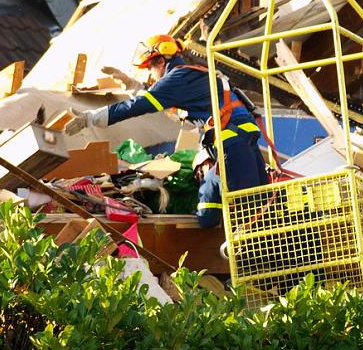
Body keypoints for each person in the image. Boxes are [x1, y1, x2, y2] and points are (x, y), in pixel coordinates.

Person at [65, 34, 268, 228]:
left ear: (160, 62)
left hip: (231, 140)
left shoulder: (178, 76)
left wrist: (93, 117)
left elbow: (143, 104)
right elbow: (162, 101)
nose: (150, 75)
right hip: (242, 136)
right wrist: (131, 84)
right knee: (261, 202)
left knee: (248, 208)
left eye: (149, 69)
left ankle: (256, 255)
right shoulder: (190, 74)